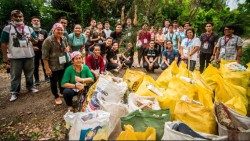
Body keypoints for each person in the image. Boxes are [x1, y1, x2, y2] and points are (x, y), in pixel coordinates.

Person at [1, 10, 39, 101]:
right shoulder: (7, 28)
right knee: (15, 75)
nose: (18, 18)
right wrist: (5, 57)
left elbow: (36, 41)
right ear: (12, 17)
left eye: (20, 16)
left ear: (23, 17)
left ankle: (30, 87)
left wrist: (32, 39)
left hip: (29, 55)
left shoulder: (29, 28)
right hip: (15, 56)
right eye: (16, 16)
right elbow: (3, 43)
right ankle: (14, 92)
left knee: (29, 73)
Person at [42, 23, 70, 105]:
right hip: (53, 65)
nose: (60, 31)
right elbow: (44, 57)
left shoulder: (64, 38)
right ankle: (56, 96)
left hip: (63, 63)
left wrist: (67, 48)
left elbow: (67, 47)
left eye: (61, 30)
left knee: (62, 79)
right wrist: (47, 68)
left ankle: (61, 91)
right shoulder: (48, 41)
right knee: (53, 82)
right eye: (58, 29)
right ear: (53, 30)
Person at [31, 16, 48, 85]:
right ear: (31, 22)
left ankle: (47, 77)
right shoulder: (29, 30)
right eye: (34, 20)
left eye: (37, 20)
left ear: (40, 22)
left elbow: (47, 41)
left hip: (43, 50)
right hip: (33, 51)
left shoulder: (44, 31)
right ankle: (37, 80)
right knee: (35, 65)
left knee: (45, 64)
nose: (36, 22)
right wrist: (32, 47)